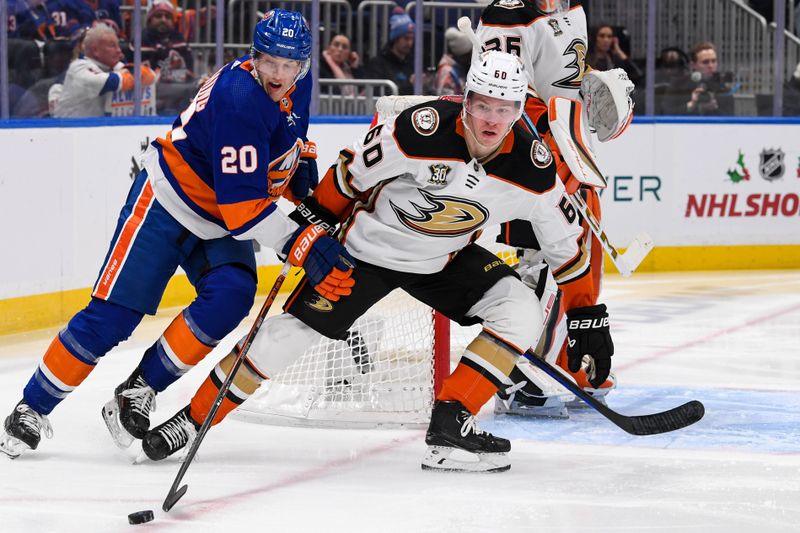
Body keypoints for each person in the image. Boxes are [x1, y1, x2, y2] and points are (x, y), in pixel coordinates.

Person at [141, 50, 614, 473]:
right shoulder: (418, 129)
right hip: (366, 252)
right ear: (466, 99)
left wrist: (587, 317)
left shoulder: (533, 171)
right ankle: (192, 420)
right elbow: (348, 176)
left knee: (521, 310)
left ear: (518, 113)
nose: (491, 119)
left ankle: (451, 423)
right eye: (483, 105)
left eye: (504, 108)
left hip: (443, 260)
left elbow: (567, 249)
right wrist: (315, 223)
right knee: (284, 336)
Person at [0, 9, 325, 460]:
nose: (279, 73)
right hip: (169, 201)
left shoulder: (297, 81)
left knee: (231, 296)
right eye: (269, 61)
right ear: (254, 57)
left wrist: (302, 162)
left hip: (220, 213)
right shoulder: (239, 98)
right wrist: (301, 242)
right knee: (113, 318)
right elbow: (243, 212)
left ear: (303, 65)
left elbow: (292, 131)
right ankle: (31, 407)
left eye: (289, 65)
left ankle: (139, 388)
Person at [476, 0, 633, 417]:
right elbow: (501, 92)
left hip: (575, 153)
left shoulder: (573, 7)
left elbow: (562, 79)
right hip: (532, 156)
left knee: (582, 259)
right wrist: (545, 154)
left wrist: (594, 89)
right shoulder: (509, 13)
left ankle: (569, 361)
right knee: (539, 260)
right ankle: (515, 371)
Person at [51, 24, 156, 117]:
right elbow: (113, 82)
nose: (119, 50)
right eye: (112, 46)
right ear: (96, 50)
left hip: (95, 130)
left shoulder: (113, 66)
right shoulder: (78, 68)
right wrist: (135, 75)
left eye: (118, 45)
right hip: (68, 132)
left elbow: (151, 75)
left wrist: (136, 73)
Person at [662, 41, 734, 116]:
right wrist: (691, 105)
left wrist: (714, 108)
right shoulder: (678, 84)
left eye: (714, 61)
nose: (711, 66)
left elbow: (730, 121)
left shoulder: (723, 89)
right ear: (693, 65)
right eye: (705, 62)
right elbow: (665, 113)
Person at [139, 0, 193, 82]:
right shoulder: (141, 39)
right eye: (158, 16)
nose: (163, 20)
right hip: (152, 90)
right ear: (149, 20)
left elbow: (189, 69)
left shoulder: (178, 38)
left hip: (179, 88)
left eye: (167, 17)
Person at [363, 11, 415, 95]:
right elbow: (378, 94)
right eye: (406, 38)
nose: (409, 43)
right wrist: (410, 86)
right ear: (395, 39)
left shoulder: (412, 64)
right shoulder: (377, 64)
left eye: (411, 39)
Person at [434, 26, 472, 96]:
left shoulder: (459, 69)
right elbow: (445, 100)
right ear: (462, 54)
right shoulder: (447, 71)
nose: (471, 57)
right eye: (469, 53)